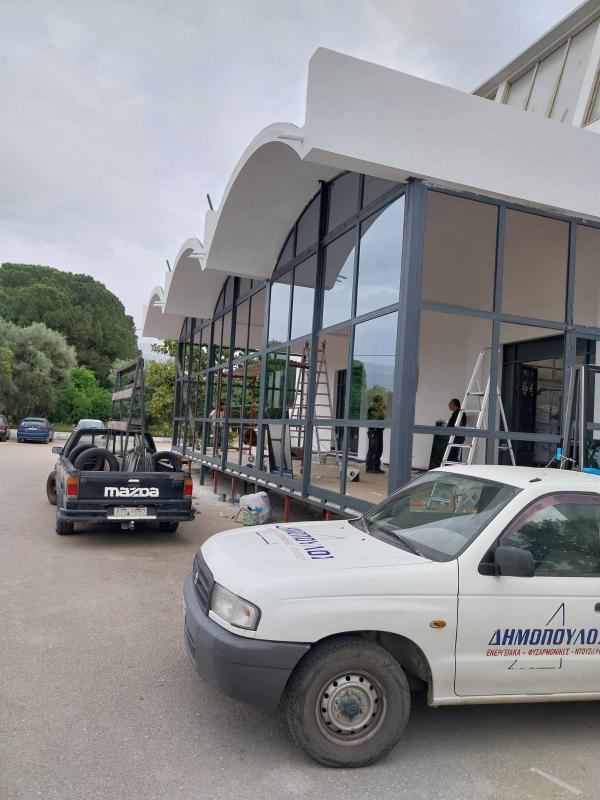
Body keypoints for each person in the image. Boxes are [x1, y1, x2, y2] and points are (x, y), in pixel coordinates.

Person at [366, 394, 386, 474]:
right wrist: (380, 409)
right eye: (381, 400)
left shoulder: (380, 408)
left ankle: (377, 467)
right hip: (373, 431)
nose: (382, 401)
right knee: (373, 449)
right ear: (377, 400)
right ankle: (369, 468)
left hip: (379, 431)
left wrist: (382, 410)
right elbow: (375, 418)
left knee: (379, 450)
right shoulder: (372, 408)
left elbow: (382, 418)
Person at [447, 398, 466, 462]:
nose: (448, 405)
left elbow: (459, 424)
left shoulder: (458, 413)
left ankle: (453, 467)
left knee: (452, 456)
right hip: (456, 437)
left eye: (450, 403)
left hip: (456, 438)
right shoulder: (456, 412)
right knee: (452, 455)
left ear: (454, 404)